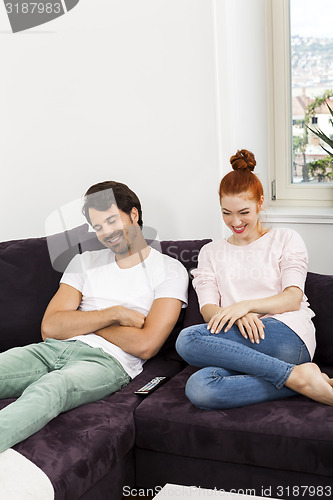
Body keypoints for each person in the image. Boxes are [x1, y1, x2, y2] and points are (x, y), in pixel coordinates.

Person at [0, 181, 188, 452]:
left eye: (112, 221)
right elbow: (50, 327)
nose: (107, 233)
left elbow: (146, 344)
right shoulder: (84, 261)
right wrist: (115, 315)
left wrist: (81, 319)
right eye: (99, 227)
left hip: (107, 362)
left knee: (52, 387)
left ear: (133, 215)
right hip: (52, 348)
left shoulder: (170, 270)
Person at [176, 149, 333, 409]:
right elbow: (207, 310)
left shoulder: (285, 239)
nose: (235, 221)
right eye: (226, 213)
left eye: (244, 212)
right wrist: (236, 317)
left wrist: (246, 306)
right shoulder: (211, 252)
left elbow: (292, 298)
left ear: (260, 203)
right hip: (241, 341)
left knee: (188, 339)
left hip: (287, 336)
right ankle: (299, 378)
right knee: (200, 387)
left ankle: (296, 372)